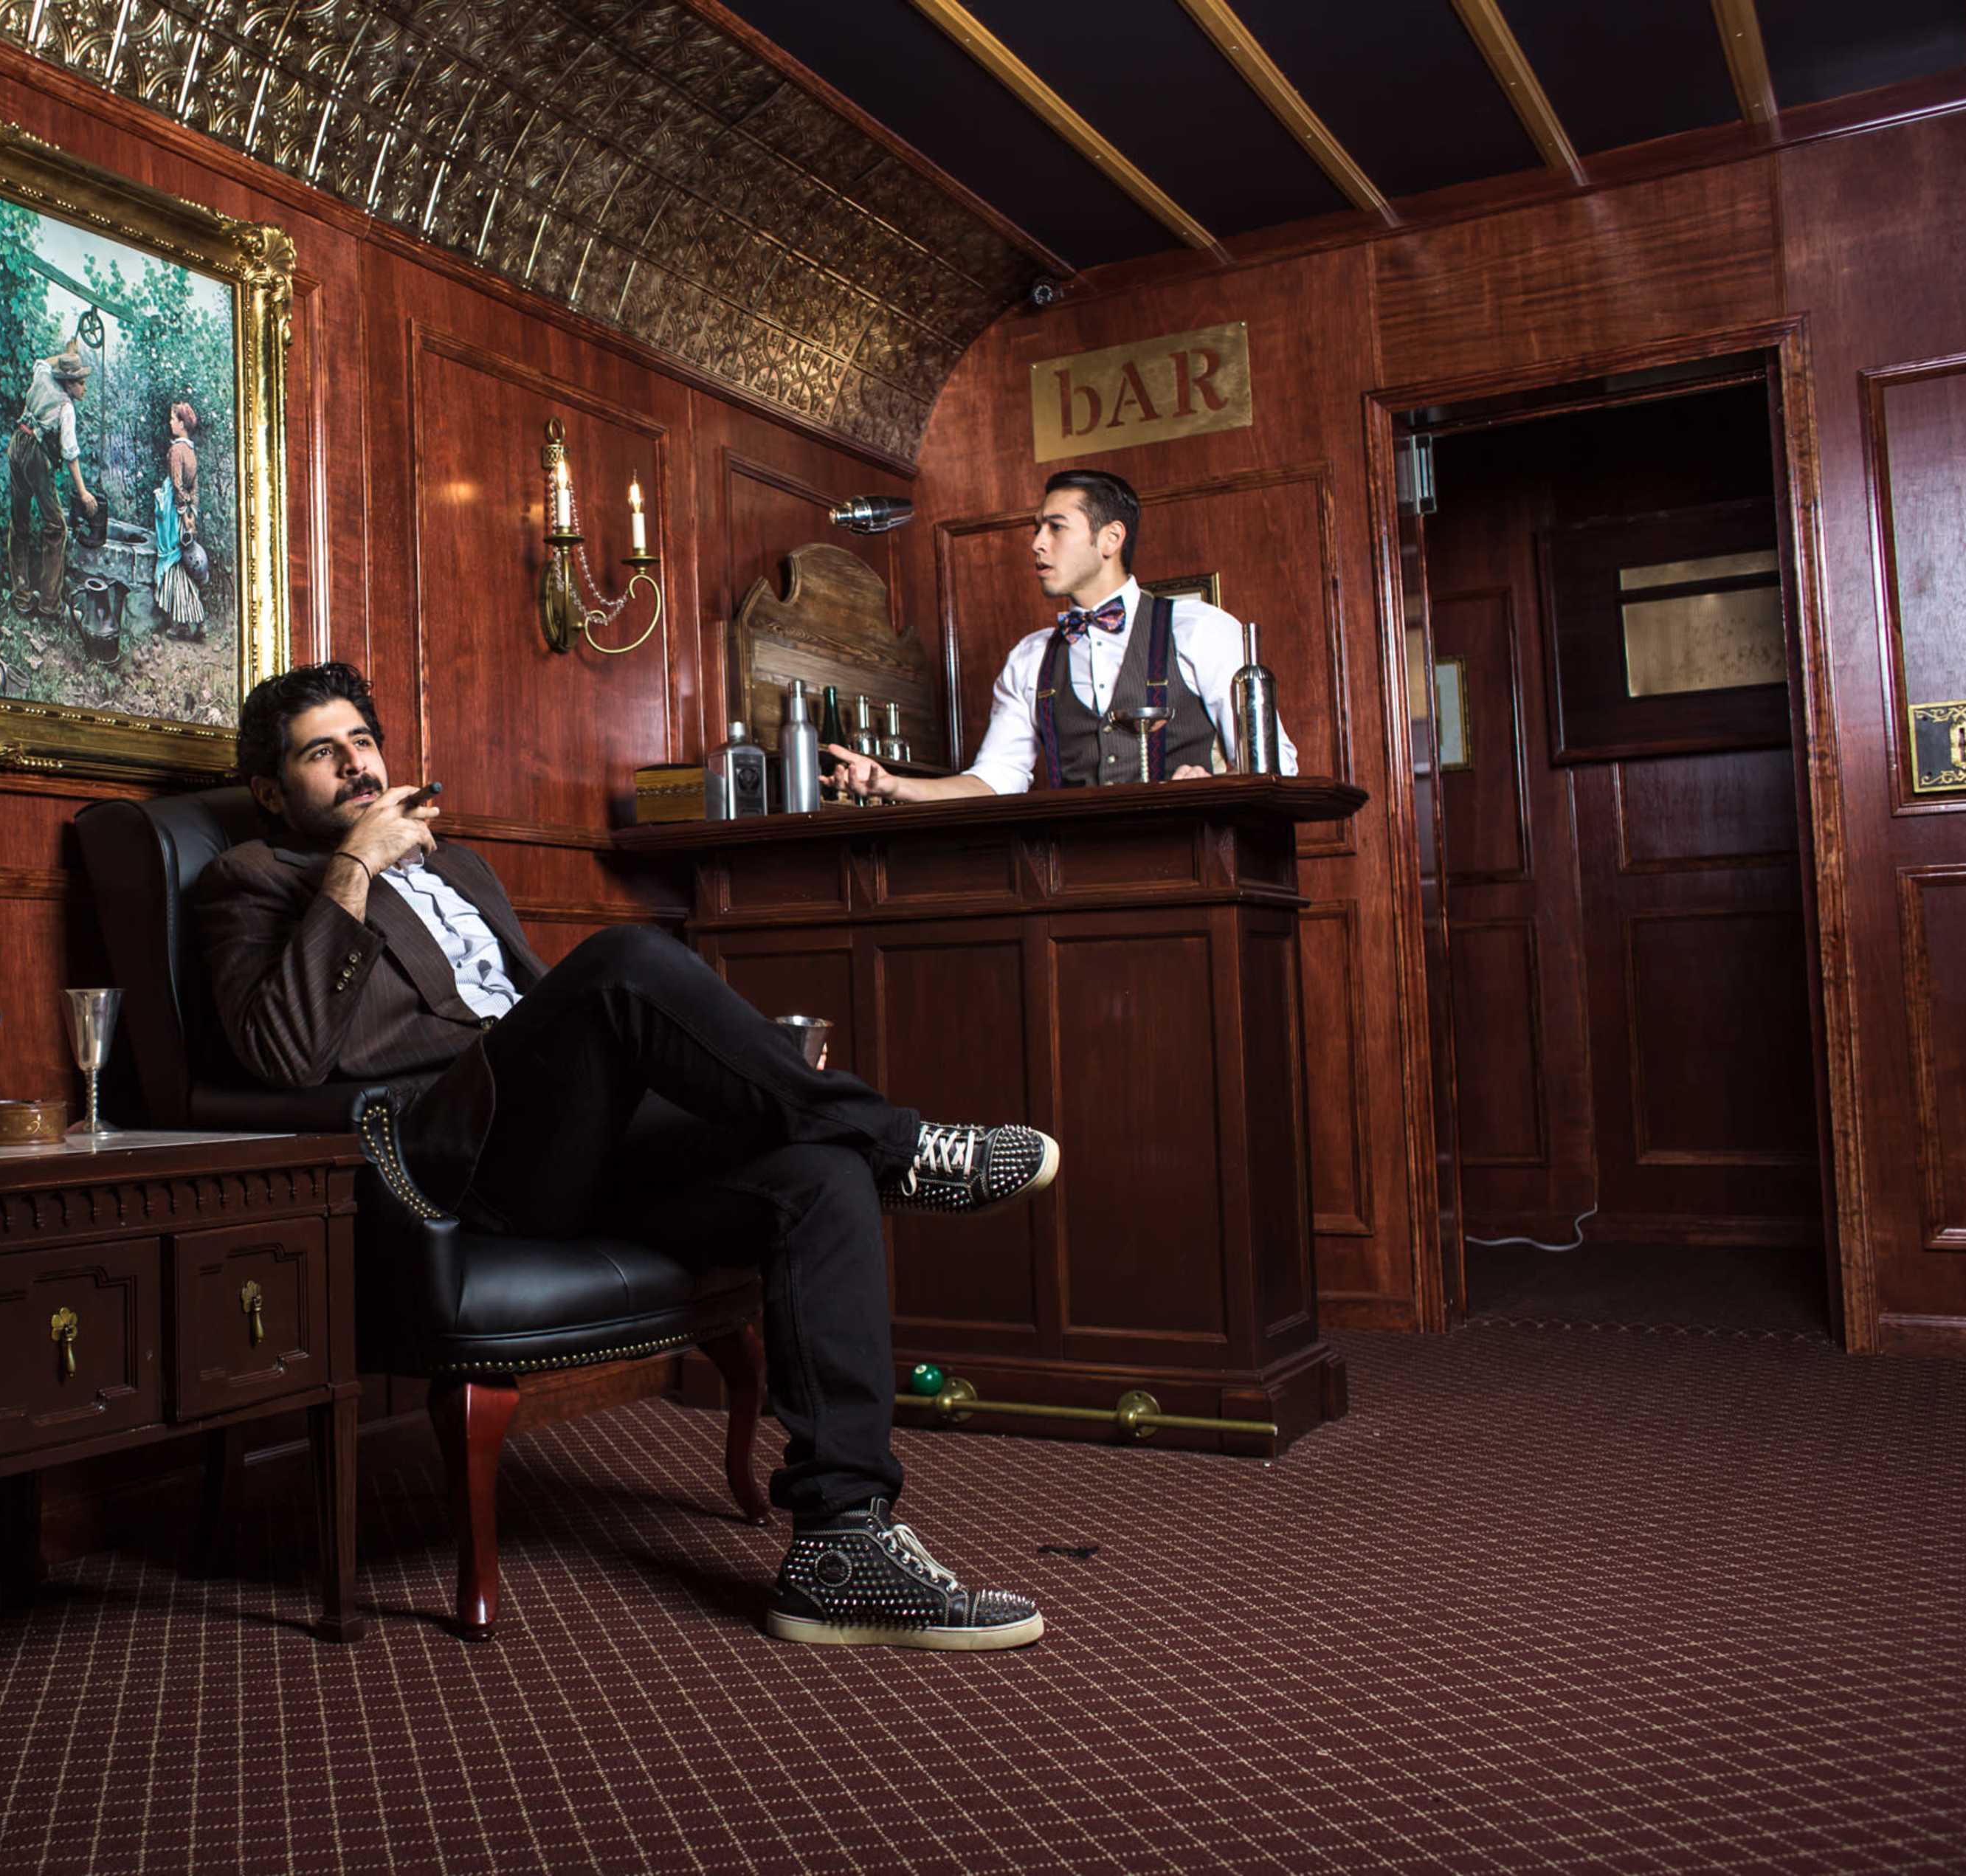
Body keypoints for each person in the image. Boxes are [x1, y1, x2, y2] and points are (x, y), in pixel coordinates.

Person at [193, 663, 1060, 1651]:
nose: (355, 765)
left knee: (819, 1174)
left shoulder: (460, 868)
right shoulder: (254, 880)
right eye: (321, 753)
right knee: (625, 962)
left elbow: (533, 1017)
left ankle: (841, 1539)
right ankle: (904, 1142)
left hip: (571, 1140)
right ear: (271, 791)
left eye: (363, 742)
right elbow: (285, 1051)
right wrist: (354, 865)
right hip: (461, 1161)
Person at [827, 468, 1297, 801]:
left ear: (1110, 539)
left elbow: (1277, 766)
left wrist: (1215, 786)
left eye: (1056, 527)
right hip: (1075, 877)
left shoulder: (1200, 630)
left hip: (1200, 868)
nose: (1036, 543)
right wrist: (891, 785)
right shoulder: (1031, 657)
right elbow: (995, 779)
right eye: (1037, 529)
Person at [7, 342, 98, 618]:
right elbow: (71, 455)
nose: (84, 388)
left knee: (20, 521)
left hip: (16, 444)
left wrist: (65, 355)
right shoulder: (66, 408)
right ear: (69, 384)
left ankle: (22, 597)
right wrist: (83, 493)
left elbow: (43, 361)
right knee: (57, 528)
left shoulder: (44, 375)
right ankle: (49, 604)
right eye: (81, 383)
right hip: (34, 456)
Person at [154, 400, 207, 637]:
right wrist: (193, 513)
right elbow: (193, 489)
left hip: (175, 512)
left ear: (182, 424)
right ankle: (189, 623)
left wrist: (183, 514)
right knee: (182, 563)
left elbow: (177, 485)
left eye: (173, 419)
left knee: (175, 562)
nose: (170, 423)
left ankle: (187, 622)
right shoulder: (191, 451)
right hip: (186, 510)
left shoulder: (177, 450)